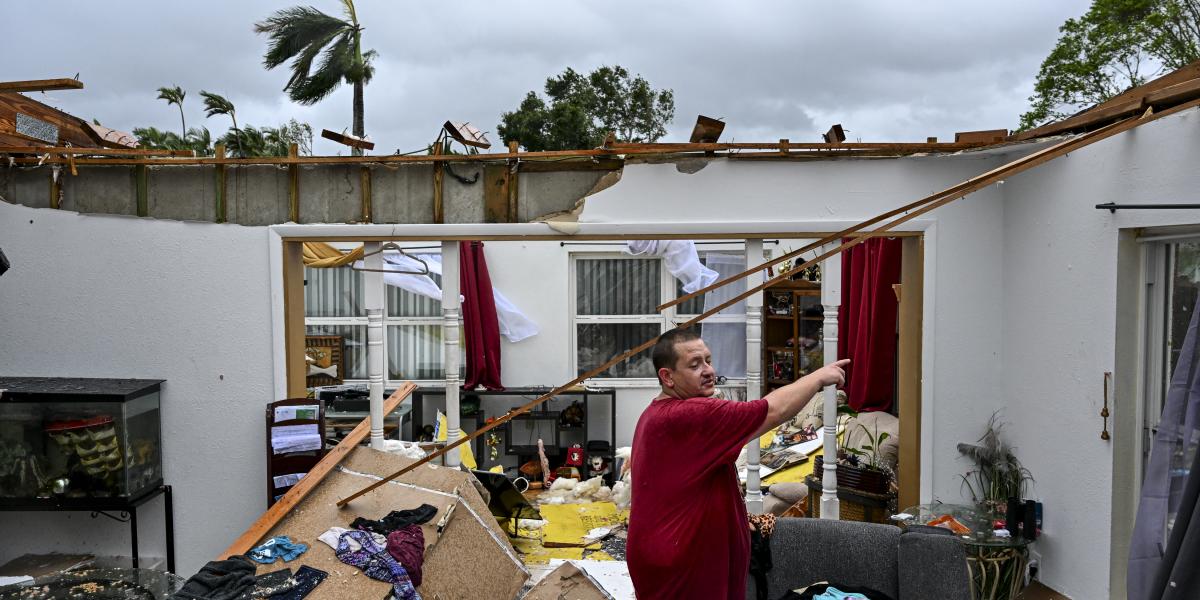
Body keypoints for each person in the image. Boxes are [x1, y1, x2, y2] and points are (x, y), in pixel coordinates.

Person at [626, 327, 849, 599]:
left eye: (708, 360)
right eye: (695, 365)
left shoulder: (656, 412)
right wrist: (818, 377)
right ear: (668, 377)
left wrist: (733, 516)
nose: (707, 370)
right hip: (680, 566)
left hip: (670, 556)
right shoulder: (690, 414)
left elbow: (684, 486)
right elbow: (774, 410)